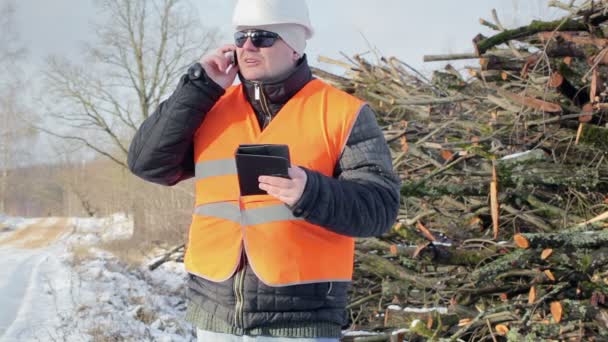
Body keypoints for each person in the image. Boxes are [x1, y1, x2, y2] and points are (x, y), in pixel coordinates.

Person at [127, 0, 400, 340]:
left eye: (263, 37)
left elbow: (380, 207)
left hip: (300, 323)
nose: (247, 47)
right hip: (215, 318)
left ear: (295, 48)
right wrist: (197, 86)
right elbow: (147, 164)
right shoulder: (209, 106)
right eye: (240, 37)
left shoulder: (344, 113)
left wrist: (310, 191)